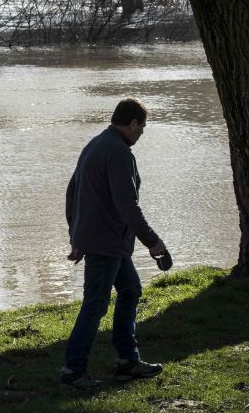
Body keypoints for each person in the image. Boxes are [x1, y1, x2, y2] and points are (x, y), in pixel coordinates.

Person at [60, 98, 168, 391]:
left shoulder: (94, 145)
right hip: (106, 243)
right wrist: (153, 242)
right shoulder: (119, 152)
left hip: (107, 242)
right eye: (141, 128)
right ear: (133, 123)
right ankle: (73, 370)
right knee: (95, 306)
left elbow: (72, 192)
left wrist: (76, 235)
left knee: (131, 290)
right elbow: (127, 205)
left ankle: (127, 361)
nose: (141, 134)